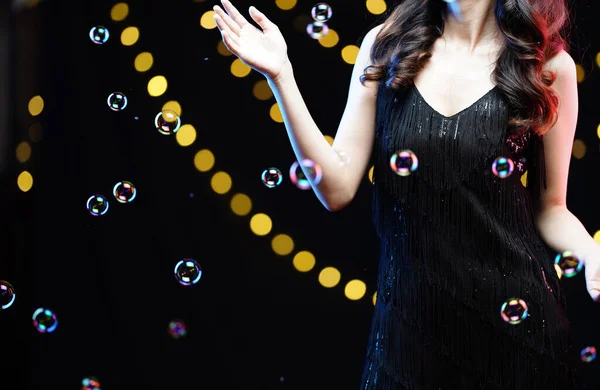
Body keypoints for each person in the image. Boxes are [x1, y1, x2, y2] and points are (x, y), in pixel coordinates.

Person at [212, 0, 600, 388]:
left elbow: (551, 209)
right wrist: (282, 78)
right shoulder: (386, 46)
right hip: (408, 331)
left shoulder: (546, 64)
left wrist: (591, 252)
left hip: (519, 339)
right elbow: (336, 187)